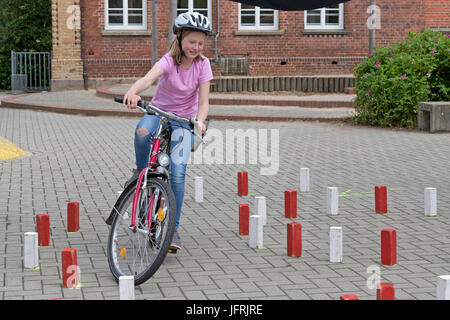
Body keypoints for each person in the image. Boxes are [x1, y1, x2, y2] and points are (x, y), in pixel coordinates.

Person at [122, 12, 213, 251]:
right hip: (158, 111)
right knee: (142, 131)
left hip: (184, 121)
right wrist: (132, 91)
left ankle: (172, 227)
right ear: (180, 39)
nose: (196, 47)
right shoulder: (169, 61)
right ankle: (141, 170)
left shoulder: (203, 65)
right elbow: (148, 79)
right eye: (192, 41)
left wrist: (200, 122)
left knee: (178, 172)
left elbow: (203, 102)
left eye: (201, 43)